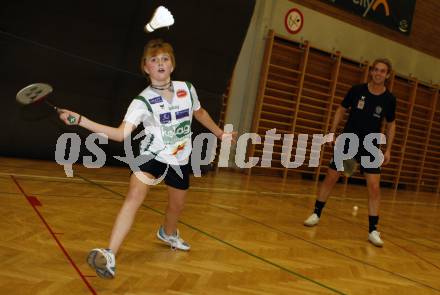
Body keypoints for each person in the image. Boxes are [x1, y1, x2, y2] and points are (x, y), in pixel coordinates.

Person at [59, 39, 236, 279]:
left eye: (165, 59)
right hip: (150, 155)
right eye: (154, 60)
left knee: (176, 206)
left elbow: (200, 113)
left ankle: (168, 233)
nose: (160, 63)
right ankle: (110, 253)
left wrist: (220, 133)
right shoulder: (141, 101)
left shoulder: (187, 89)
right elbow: (120, 134)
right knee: (134, 197)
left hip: (179, 159)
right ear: (145, 67)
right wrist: (81, 121)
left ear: (172, 65)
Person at [303, 58, 396, 247]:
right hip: (349, 142)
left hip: (369, 146)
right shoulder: (357, 91)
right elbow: (341, 110)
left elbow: (391, 124)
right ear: (371, 72)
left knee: (374, 187)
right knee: (332, 177)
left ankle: (373, 230)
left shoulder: (389, 99)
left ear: (387, 75)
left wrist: (388, 149)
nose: (378, 73)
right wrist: (331, 132)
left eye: (382, 71)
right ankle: (316, 213)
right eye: (376, 70)